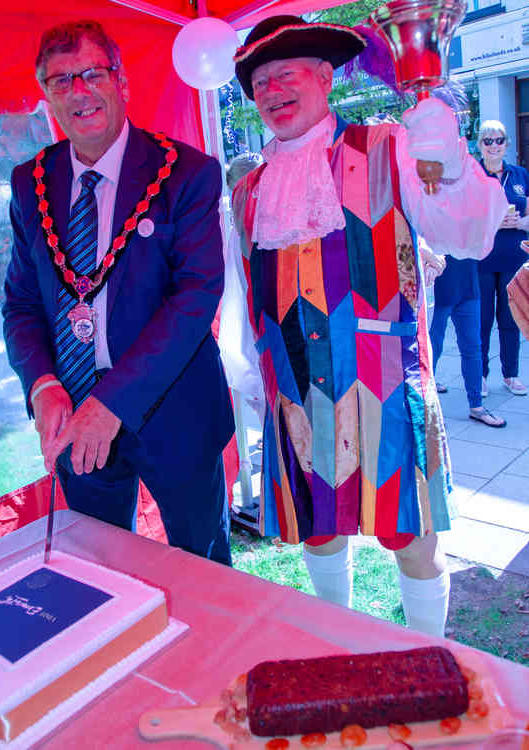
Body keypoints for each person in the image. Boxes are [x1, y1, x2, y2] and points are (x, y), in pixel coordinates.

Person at [220, 15, 508, 635]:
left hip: (388, 384)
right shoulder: (246, 191)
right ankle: (340, 648)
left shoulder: (388, 146)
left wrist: (442, 147)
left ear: (325, 77)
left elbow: (468, 231)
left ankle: (430, 655)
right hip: (292, 390)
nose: (272, 90)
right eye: (260, 80)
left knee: (414, 539)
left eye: (286, 73)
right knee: (318, 537)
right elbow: (243, 297)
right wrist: (249, 379)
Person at [2, 20, 235, 565]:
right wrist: (42, 386)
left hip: (177, 413)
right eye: (60, 81)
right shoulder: (28, 182)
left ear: (121, 81)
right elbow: (21, 305)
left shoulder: (187, 174)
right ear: (47, 97)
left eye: (91, 74)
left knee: (203, 571)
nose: (78, 92)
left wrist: (111, 405)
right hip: (74, 413)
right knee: (100, 570)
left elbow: (196, 299)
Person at [477, 120, 529, 397]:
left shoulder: (520, 175)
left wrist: (520, 222)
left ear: (507, 144)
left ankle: (511, 374)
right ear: (480, 145)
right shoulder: (472, 175)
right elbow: (464, 217)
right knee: (482, 320)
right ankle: (481, 376)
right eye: (488, 141)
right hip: (482, 259)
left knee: (511, 318)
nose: (494, 145)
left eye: (499, 140)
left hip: (513, 258)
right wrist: (493, 223)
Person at [428, 248, 507, 428]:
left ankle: (477, 406)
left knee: (472, 347)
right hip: (439, 287)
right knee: (432, 347)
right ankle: (427, 409)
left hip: (468, 285)